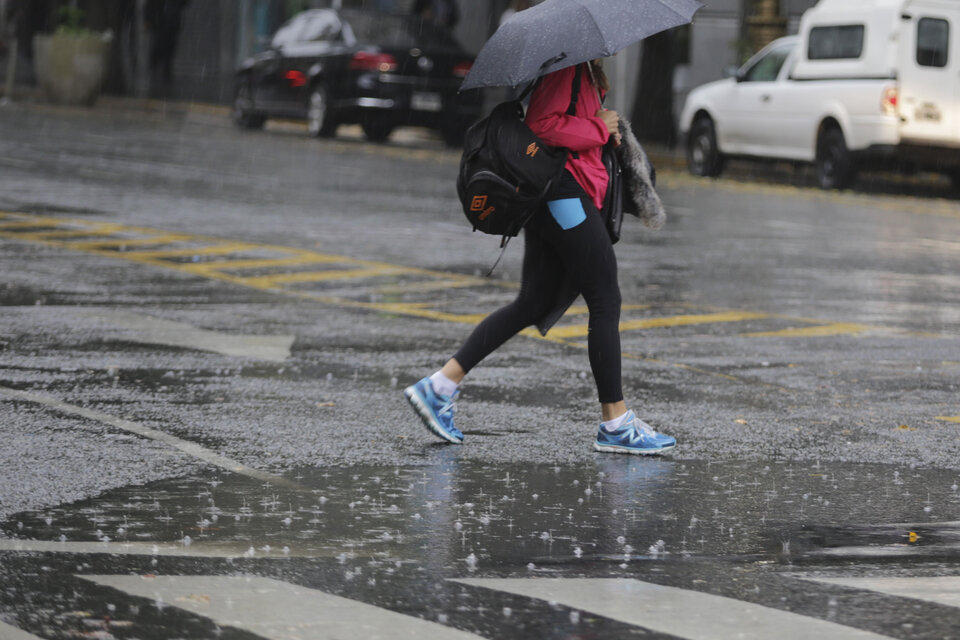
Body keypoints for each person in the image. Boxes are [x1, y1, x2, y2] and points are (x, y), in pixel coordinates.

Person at [404, 59, 676, 455]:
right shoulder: (565, 68)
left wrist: (603, 129)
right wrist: (599, 127)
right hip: (563, 193)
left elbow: (572, 128)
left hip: (566, 191)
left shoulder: (582, 68)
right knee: (605, 299)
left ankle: (440, 385)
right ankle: (615, 422)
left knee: (533, 301)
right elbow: (543, 126)